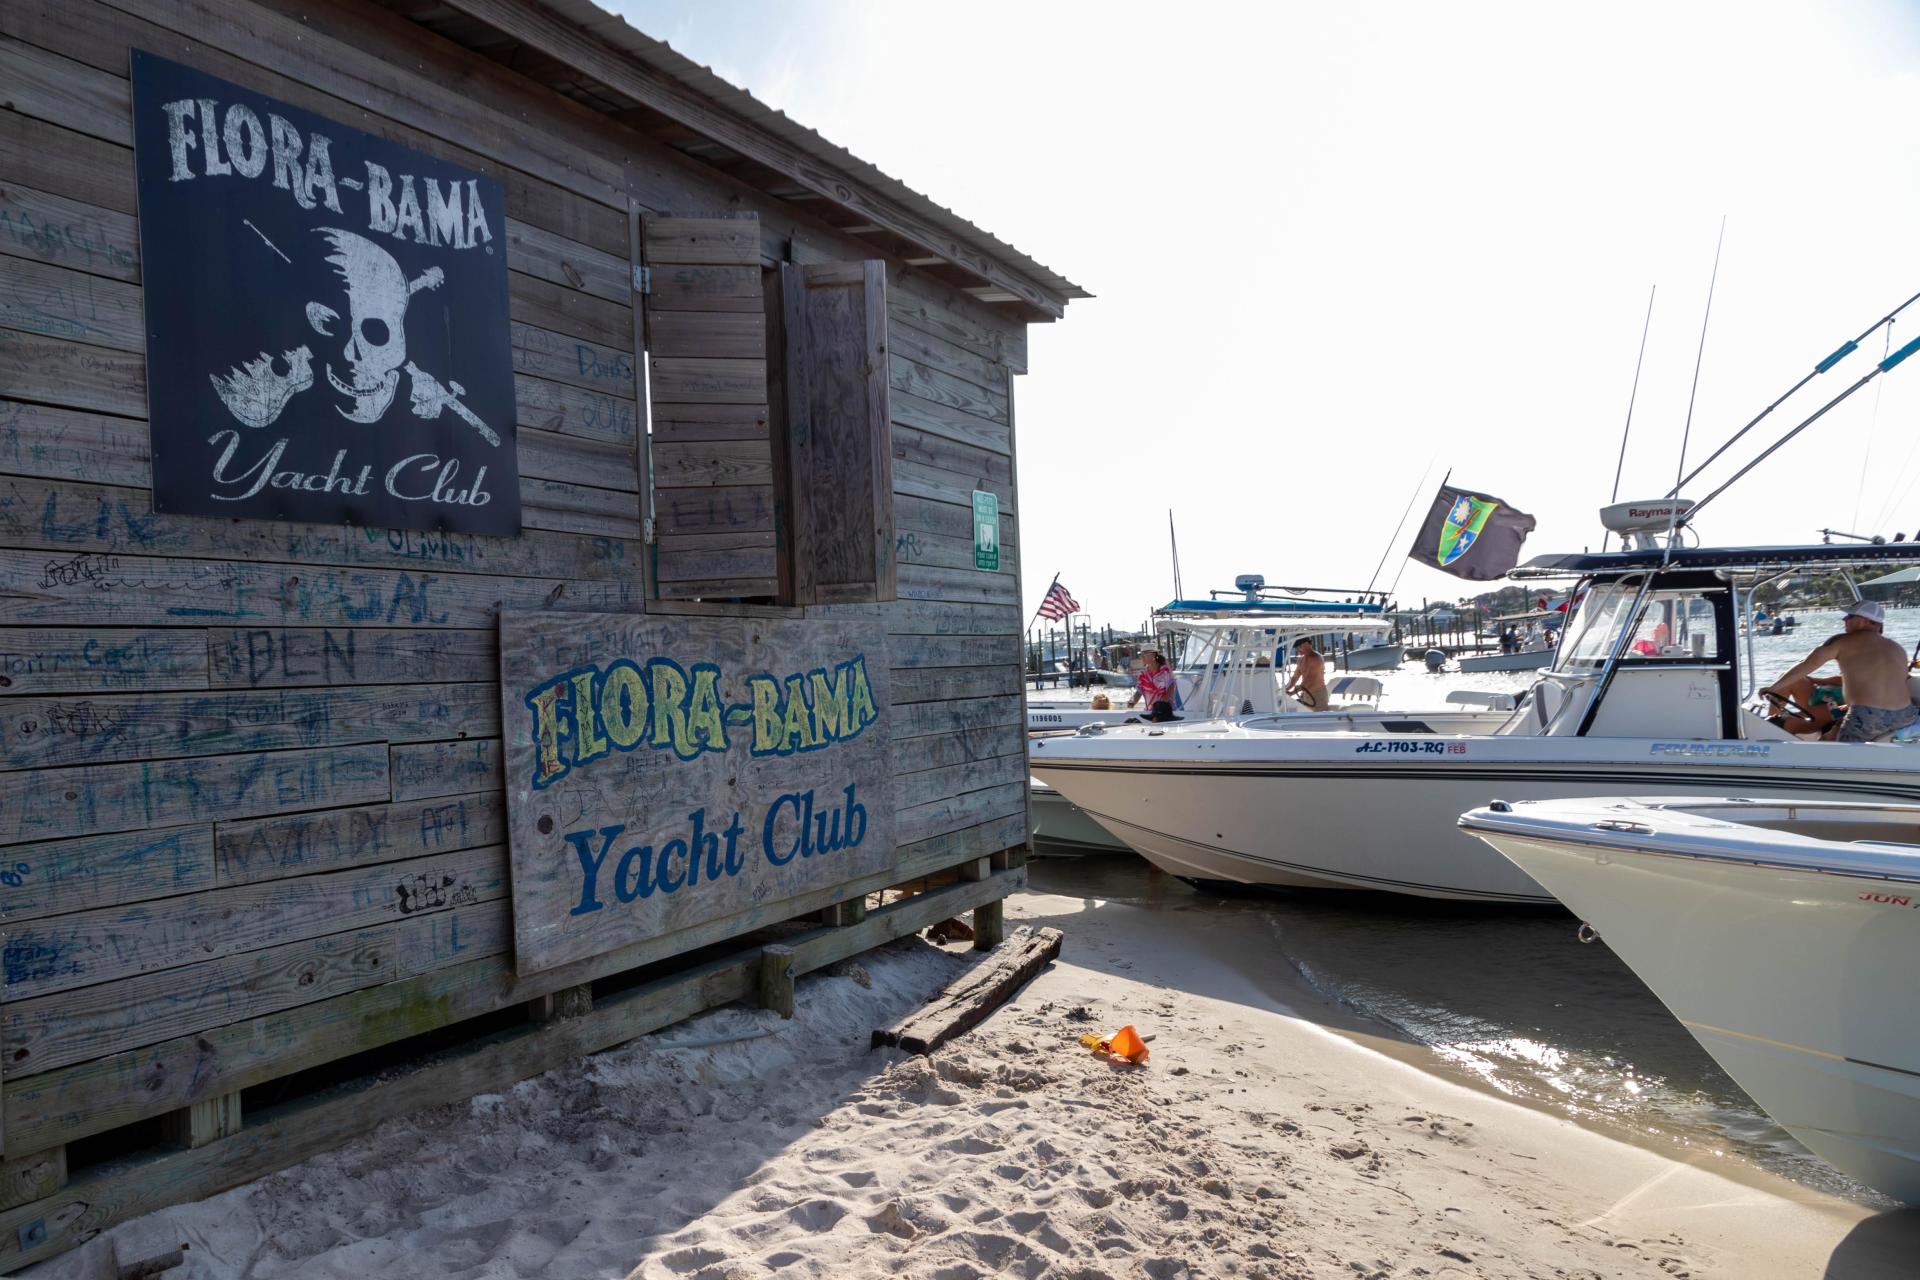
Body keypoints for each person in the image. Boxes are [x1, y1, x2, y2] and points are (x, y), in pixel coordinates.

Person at [1762, 600, 1916, 742]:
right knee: (1830, 736)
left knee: (1832, 754)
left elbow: (1805, 665)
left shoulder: (1841, 641)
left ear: (1865, 621)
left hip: (1868, 717)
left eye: (1849, 616)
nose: (1844, 620)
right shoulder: (1897, 648)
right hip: (1906, 715)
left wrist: (1772, 689)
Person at [1127, 650, 1179, 722]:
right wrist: (1132, 701)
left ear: (1153, 656)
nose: (1142, 657)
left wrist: (1162, 705)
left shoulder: (1165, 671)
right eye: (1141, 655)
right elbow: (1139, 691)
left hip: (1167, 713)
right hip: (1151, 713)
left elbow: (1172, 686)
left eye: (1144, 655)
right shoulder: (1143, 674)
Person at [1285, 637, 1330, 710]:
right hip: (1306, 695)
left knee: (1320, 720)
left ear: (1307, 644)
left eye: (1299, 646)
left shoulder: (1316, 658)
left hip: (1318, 696)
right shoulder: (1301, 660)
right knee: (1307, 719)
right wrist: (1285, 689)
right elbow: (1295, 677)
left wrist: (1292, 692)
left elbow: (1310, 681)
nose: (1297, 649)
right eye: (1296, 647)